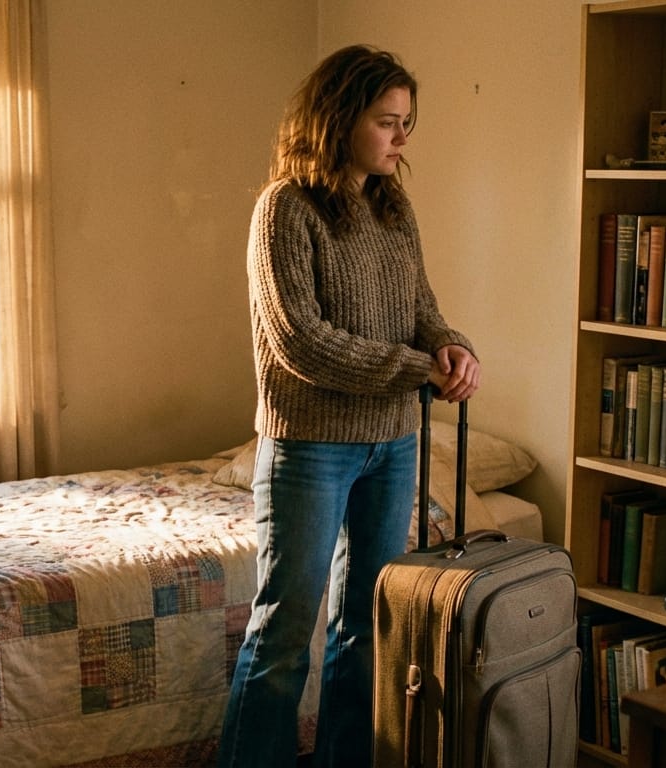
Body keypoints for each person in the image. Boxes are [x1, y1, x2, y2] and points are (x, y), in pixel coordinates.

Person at [218, 44, 480, 768]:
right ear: (338, 120)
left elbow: (421, 309)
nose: (401, 138)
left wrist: (452, 348)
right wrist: (415, 368)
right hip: (311, 447)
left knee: (369, 627)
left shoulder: (393, 207)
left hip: (393, 445)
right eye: (387, 121)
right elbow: (303, 341)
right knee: (283, 630)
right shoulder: (285, 210)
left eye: (406, 123)